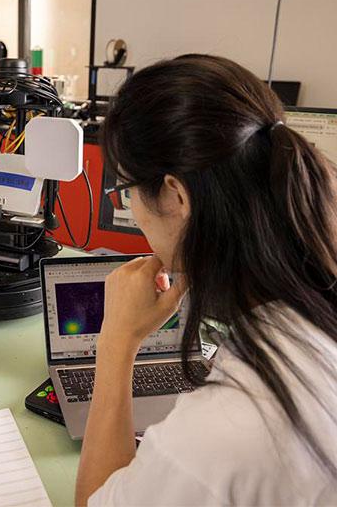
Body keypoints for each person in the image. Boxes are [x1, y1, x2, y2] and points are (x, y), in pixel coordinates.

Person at [76, 54, 337, 505]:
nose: (132, 209)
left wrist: (117, 342)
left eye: (127, 190)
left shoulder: (219, 434)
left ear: (176, 195)